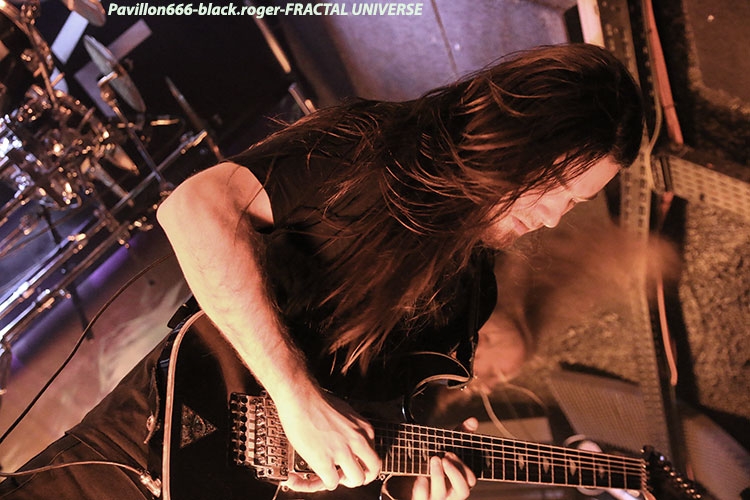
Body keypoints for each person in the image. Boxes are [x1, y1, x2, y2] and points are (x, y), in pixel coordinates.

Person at [0, 43, 643, 500]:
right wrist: (296, 397)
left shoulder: (472, 294)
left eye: (574, 204)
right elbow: (194, 209)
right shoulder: (373, 147)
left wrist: (410, 487)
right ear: (516, 134)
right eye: (555, 186)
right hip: (135, 454)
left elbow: (367, 433)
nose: (553, 217)